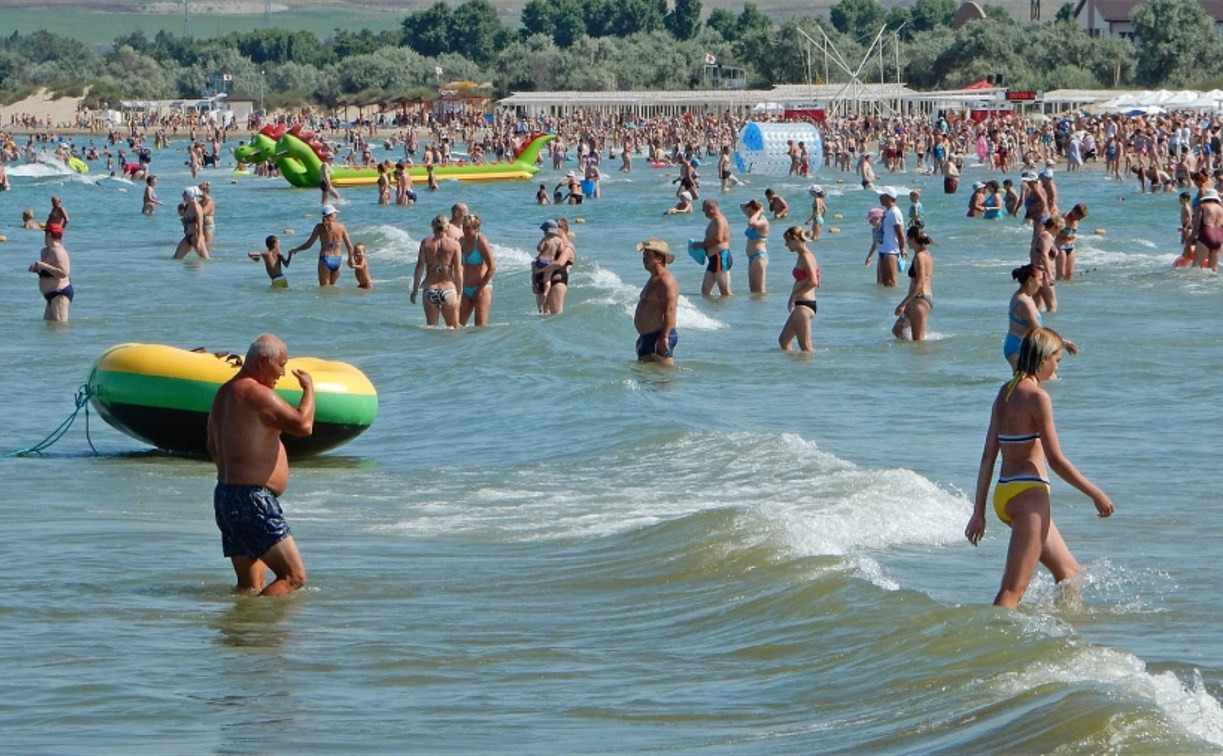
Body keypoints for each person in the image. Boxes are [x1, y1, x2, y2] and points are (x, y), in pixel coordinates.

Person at [965, 326, 1113, 608]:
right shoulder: (1037, 397)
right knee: (1011, 592)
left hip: (1005, 494)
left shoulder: (1004, 393)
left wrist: (979, 513)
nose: (1056, 369)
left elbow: (988, 457)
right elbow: (1056, 460)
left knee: (1070, 575)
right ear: (1044, 359)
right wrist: (1095, 493)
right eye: (1056, 361)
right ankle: (992, 645)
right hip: (1029, 496)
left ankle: (1060, 639)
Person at [206, 333, 314, 596]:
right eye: (281, 365)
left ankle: (243, 634)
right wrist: (309, 389)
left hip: (226, 496)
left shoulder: (224, 394)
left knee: (249, 588)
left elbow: (212, 447)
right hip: (252, 500)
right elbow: (303, 425)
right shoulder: (256, 392)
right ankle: (260, 634)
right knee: (293, 577)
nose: (283, 372)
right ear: (263, 360)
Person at [410, 214, 462, 328]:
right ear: (447, 227)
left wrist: (415, 291)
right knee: (453, 329)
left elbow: (419, 267)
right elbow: (458, 270)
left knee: (432, 329)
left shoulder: (426, 243)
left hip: (430, 290)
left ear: (433, 226)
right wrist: (459, 293)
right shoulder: (455, 245)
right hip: (448, 289)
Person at [634, 238, 678, 366]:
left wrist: (664, 337)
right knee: (646, 380)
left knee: (665, 380)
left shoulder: (666, 281)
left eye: (648, 255)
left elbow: (670, 310)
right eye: (643, 255)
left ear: (659, 259)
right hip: (646, 337)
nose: (644, 259)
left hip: (659, 337)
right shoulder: (654, 279)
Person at [288, 204, 354, 286]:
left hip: (325, 259)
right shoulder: (341, 227)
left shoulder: (319, 227)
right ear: (332, 215)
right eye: (335, 213)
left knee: (325, 289)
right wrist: (350, 259)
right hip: (338, 260)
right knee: (332, 288)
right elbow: (350, 246)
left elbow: (309, 244)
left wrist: (297, 249)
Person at [779, 226, 820, 352]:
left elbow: (814, 281)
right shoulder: (805, 255)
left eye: (788, 241)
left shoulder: (806, 256)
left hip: (804, 305)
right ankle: (795, 370)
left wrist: (795, 295)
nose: (786, 245)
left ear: (795, 239)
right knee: (784, 341)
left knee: (806, 347)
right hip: (802, 305)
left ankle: (811, 369)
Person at [892, 226, 934, 341]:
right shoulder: (923, 254)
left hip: (920, 299)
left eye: (907, 238)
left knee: (918, 342)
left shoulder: (921, 257)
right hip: (917, 299)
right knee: (898, 329)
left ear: (913, 239)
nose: (906, 241)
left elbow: (919, 283)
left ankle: (922, 357)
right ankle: (907, 356)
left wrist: (903, 304)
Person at [29, 222, 72, 323]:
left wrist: (44, 266)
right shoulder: (44, 251)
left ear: (49, 235)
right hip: (50, 295)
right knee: (49, 328)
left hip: (60, 293)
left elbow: (64, 273)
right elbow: (48, 271)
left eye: (45, 234)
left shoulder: (59, 252)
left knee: (60, 327)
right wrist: (36, 269)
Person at [864, 187, 906, 287]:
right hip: (883, 251)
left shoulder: (895, 213)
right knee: (883, 283)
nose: (880, 197)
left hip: (890, 252)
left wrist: (903, 249)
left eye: (882, 195)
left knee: (891, 283)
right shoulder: (887, 212)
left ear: (888, 197)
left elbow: (900, 233)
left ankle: (893, 302)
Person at [459, 213, 496, 325]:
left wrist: (479, 289)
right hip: (465, 289)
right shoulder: (461, 241)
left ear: (476, 228)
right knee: (457, 326)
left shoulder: (481, 242)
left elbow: (492, 268)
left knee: (480, 327)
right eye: (463, 227)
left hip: (481, 287)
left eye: (468, 228)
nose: (465, 230)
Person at [693, 198, 732, 297]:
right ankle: (713, 311)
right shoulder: (714, 220)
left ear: (710, 209)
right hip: (713, 259)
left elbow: (719, 239)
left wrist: (701, 245)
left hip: (720, 257)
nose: (703, 212)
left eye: (704, 209)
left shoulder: (719, 219)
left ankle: (729, 310)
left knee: (725, 292)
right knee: (705, 291)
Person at [1031, 214, 1061, 312]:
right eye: (1059, 229)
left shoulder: (1044, 235)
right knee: (1052, 305)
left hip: (1038, 272)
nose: (1059, 232)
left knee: (1038, 305)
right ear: (1053, 227)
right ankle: (1050, 325)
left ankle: (1037, 326)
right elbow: (1044, 255)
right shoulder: (1046, 236)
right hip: (1043, 273)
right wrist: (1049, 274)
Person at [741, 198, 770, 294]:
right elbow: (741, 206)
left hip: (759, 256)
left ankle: (763, 308)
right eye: (748, 212)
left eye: (750, 212)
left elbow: (751, 223)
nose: (748, 214)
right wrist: (755, 203)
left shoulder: (763, 222)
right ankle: (755, 308)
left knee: (760, 290)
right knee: (753, 290)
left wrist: (759, 211)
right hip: (751, 258)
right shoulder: (754, 218)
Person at [1193, 188, 1223, 271]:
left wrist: (1189, 242)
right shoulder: (1221, 208)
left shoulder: (1202, 206)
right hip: (1219, 238)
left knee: (1196, 267)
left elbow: (1197, 226)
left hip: (1206, 235)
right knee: (1213, 270)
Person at [1055, 203, 1087, 280]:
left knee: (1070, 273)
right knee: (1061, 273)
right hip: (1061, 246)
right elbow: (1055, 231)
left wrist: (1073, 237)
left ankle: (1068, 290)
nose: (1079, 220)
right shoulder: (1064, 217)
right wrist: (1066, 236)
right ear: (1074, 212)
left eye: (1081, 218)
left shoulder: (1077, 219)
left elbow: (1073, 232)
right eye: (1079, 217)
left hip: (1071, 246)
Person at [174, 187, 209, 260]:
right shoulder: (189, 206)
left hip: (195, 237)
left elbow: (200, 223)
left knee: (206, 260)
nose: (183, 196)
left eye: (185, 194)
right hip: (187, 237)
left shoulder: (196, 207)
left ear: (191, 195)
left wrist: (199, 238)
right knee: (176, 258)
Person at [198, 181, 216, 251]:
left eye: (199, 190)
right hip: (201, 225)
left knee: (207, 244)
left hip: (208, 226)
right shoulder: (200, 202)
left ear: (205, 191)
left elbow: (203, 212)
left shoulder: (209, 201)